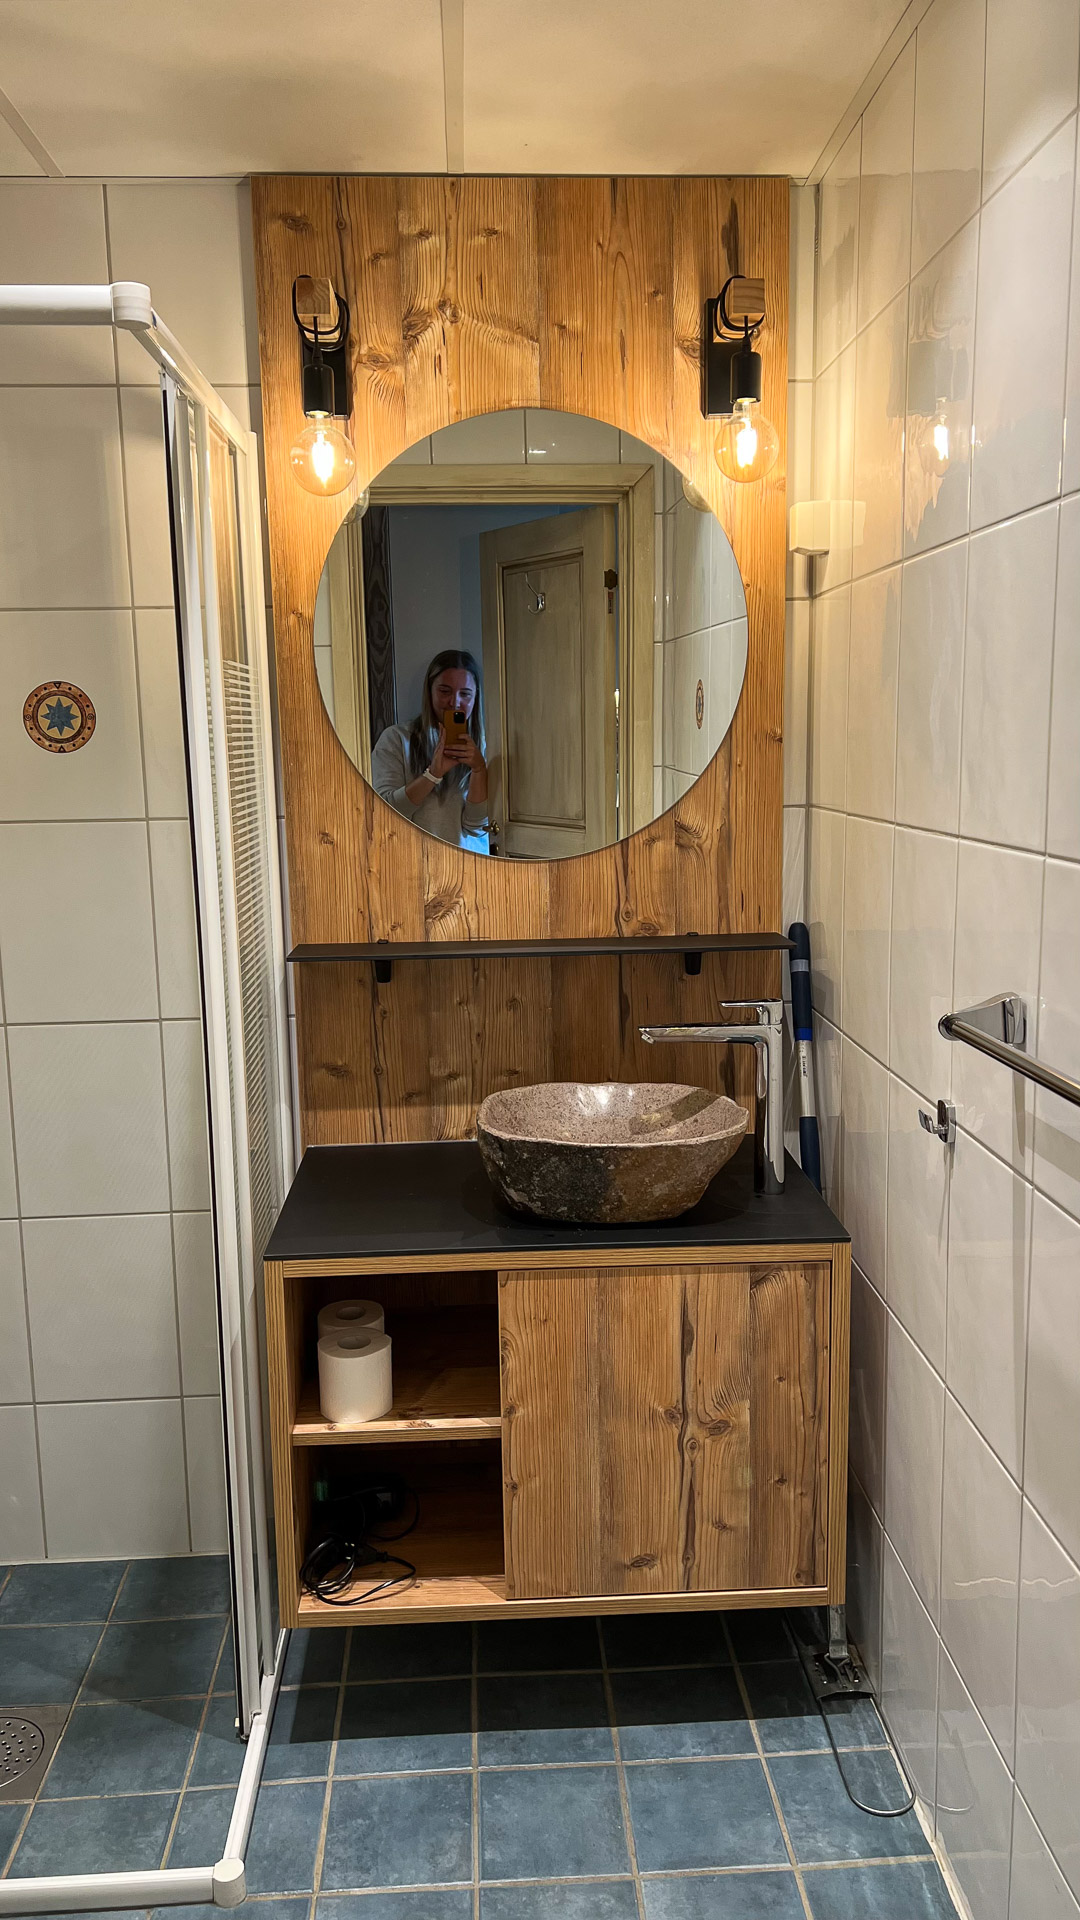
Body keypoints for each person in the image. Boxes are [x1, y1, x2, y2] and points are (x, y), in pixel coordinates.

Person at [371, 649, 490, 853]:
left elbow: (476, 826)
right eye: (445, 691)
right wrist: (433, 774)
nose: (455, 702)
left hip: (471, 869)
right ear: (429, 691)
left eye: (465, 694)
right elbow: (386, 814)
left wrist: (479, 770)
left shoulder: (486, 747)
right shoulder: (397, 739)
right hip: (413, 866)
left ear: (475, 697)